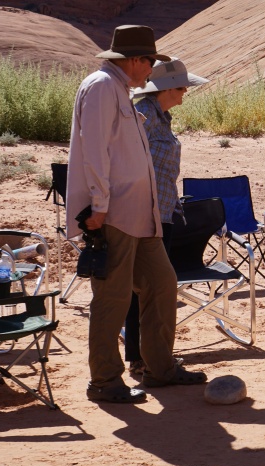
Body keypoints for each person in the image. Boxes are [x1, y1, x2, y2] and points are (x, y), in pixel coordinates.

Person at [66, 25, 207, 404]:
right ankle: (105, 381)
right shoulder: (101, 87)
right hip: (113, 214)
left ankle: (159, 369)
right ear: (135, 60)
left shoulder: (118, 90)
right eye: (149, 62)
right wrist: (98, 204)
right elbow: (94, 150)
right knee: (112, 298)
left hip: (139, 215)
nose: (151, 71)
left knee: (162, 283)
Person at [124, 58, 208, 375]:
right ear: (169, 88)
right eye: (183, 86)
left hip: (162, 212)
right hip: (142, 215)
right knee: (149, 287)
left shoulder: (162, 116)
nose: (186, 91)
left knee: (148, 288)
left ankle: (144, 357)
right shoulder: (143, 115)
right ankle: (145, 360)